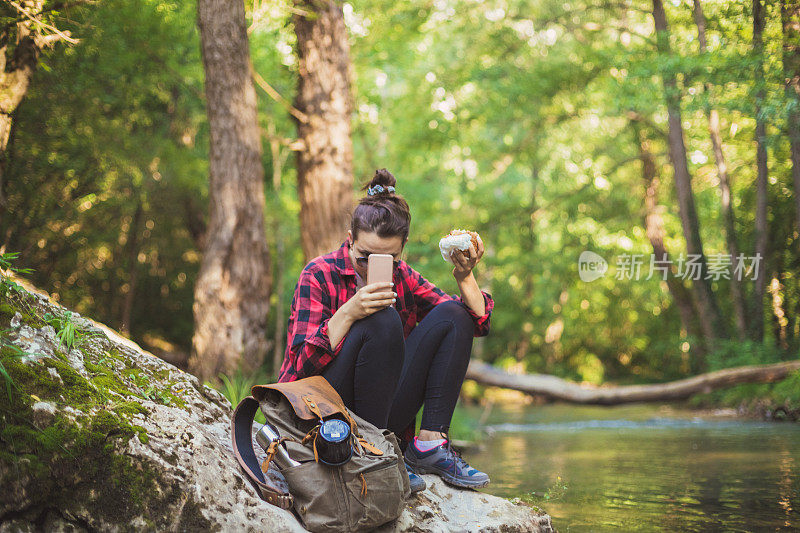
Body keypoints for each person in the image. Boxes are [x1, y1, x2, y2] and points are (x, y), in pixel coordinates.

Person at [278, 168, 494, 493]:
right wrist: (350, 311)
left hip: (379, 414)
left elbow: (473, 322)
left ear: (403, 247)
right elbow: (300, 368)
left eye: (389, 258)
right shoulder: (319, 274)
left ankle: (429, 445)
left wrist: (465, 277)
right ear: (350, 240)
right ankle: (374, 456)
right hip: (321, 412)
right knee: (383, 319)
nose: (373, 265)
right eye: (364, 256)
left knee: (452, 314)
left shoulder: (404, 276)